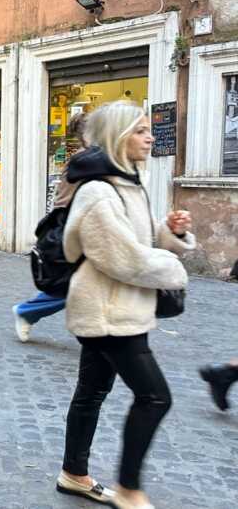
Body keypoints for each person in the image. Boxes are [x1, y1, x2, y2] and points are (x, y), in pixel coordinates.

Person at [57, 101, 195, 509]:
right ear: (117, 138)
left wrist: (167, 232)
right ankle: (130, 490)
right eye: (139, 130)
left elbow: (136, 239)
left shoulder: (125, 184)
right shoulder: (99, 192)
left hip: (114, 308)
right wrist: (175, 269)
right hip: (107, 311)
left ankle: (73, 473)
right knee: (155, 398)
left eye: (148, 129)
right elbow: (124, 259)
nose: (149, 137)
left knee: (91, 392)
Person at [13, 112, 91, 342]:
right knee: (75, 284)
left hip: (81, 226)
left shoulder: (92, 157)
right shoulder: (85, 159)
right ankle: (27, 311)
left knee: (83, 284)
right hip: (71, 227)